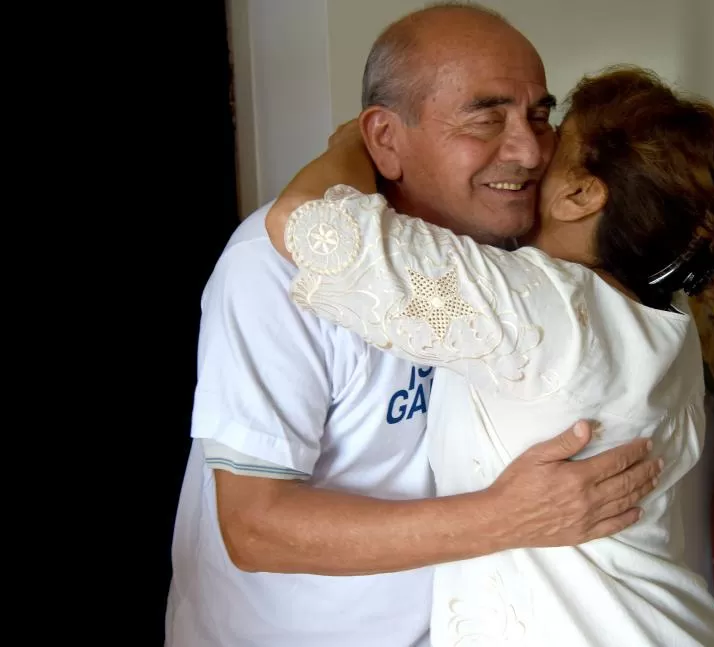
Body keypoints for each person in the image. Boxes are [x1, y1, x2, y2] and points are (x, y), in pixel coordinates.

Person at [165, 5, 662, 647]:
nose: (531, 149)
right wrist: (505, 518)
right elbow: (255, 528)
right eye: (487, 117)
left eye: (539, 114)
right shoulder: (273, 270)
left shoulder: (512, 256)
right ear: (386, 139)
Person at [264, 63, 714, 645]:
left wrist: (357, 139)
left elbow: (303, 225)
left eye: (554, 139)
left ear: (580, 194)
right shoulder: (665, 317)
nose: (528, 154)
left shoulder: (543, 307)